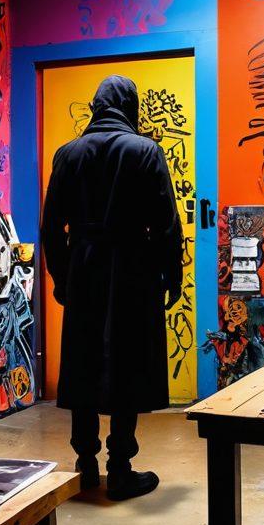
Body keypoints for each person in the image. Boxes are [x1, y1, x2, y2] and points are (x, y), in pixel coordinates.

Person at [41, 75, 183, 501]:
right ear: (130, 106)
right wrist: (171, 276)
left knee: (83, 361)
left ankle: (84, 465)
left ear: (97, 105)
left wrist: (62, 278)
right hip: (132, 271)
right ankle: (120, 468)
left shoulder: (67, 155)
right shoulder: (145, 151)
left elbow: (51, 226)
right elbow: (166, 224)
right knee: (128, 362)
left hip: (84, 269)